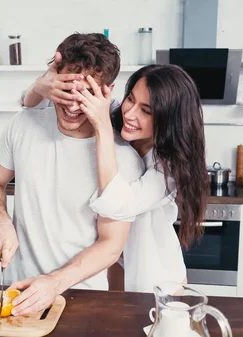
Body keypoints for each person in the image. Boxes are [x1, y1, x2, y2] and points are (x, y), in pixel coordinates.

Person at [0, 32, 144, 317]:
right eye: (66, 91)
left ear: (107, 91)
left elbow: (111, 245)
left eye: (85, 95)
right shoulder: (24, 124)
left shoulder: (123, 158)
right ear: (54, 77)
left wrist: (54, 283)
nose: (72, 105)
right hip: (17, 295)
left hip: (83, 302)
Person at [22, 61, 209, 293]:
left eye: (146, 111)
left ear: (169, 119)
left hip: (157, 277)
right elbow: (30, 106)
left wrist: (102, 127)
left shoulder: (168, 169)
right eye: (131, 99)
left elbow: (117, 205)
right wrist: (41, 86)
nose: (130, 113)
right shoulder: (117, 114)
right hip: (116, 269)